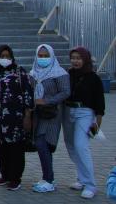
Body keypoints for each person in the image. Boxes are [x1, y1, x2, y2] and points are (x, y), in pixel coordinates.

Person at [0, 44, 34, 191]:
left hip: (16, 119)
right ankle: (5, 175)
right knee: (1, 149)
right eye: (2, 56)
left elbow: (28, 94)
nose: (5, 59)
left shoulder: (20, 73)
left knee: (16, 150)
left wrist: (27, 116)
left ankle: (15, 178)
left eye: (7, 56)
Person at [63, 46, 105, 199]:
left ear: (85, 59)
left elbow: (100, 102)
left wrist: (97, 121)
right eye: (73, 58)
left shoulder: (93, 78)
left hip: (85, 113)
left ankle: (90, 185)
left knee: (81, 146)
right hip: (68, 112)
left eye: (78, 58)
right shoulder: (68, 74)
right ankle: (81, 178)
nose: (75, 61)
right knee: (71, 146)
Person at [29, 44, 70, 193]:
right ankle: (47, 178)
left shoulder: (59, 73)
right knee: (43, 145)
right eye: (40, 56)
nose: (43, 58)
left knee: (43, 143)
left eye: (46, 56)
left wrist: (47, 100)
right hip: (38, 114)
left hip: (52, 114)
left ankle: (49, 179)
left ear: (52, 56)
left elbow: (65, 92)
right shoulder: (34, 73)